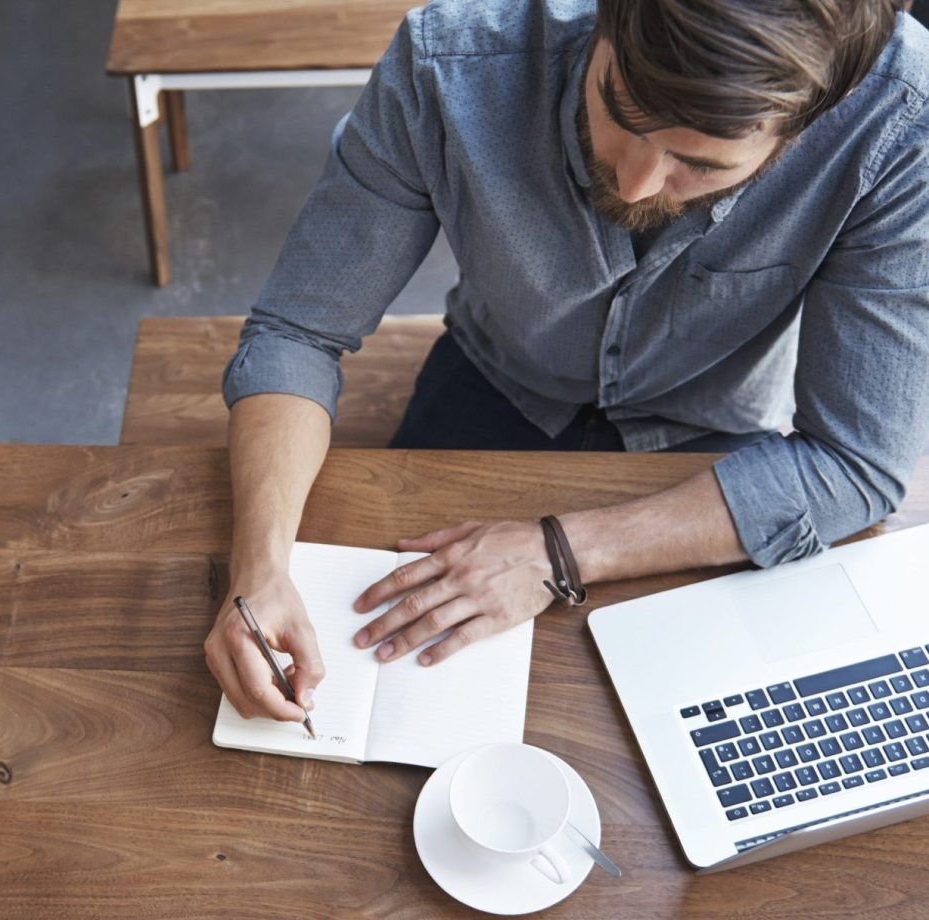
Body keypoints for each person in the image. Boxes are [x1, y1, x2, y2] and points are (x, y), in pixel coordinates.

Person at [203, 0, 929, 727]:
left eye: (699, 164)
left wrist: (557, 554)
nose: (638, 184)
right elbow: (298, 330)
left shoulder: (900, 121)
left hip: (714, 431)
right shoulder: (448, 61)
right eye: (621, 108)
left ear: (814, 119)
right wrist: (259, 571)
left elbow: (856, 460)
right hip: (495, 379)